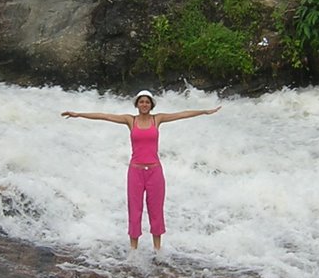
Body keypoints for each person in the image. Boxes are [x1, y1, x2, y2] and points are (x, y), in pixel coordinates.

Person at [61, 90, 221, 250]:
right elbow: (104, 116)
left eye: (147, 102)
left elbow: (182, 114)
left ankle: (157, 250)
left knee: (156, 210)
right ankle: (133, 251)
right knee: (134, 210)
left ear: (151, 104)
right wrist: (78, 114)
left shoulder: (157, 119)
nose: (144, 104)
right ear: (137, 104)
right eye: (141, 101)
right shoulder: (130, 120)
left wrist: (204, 112)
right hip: (135, 172)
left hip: (155, 171)